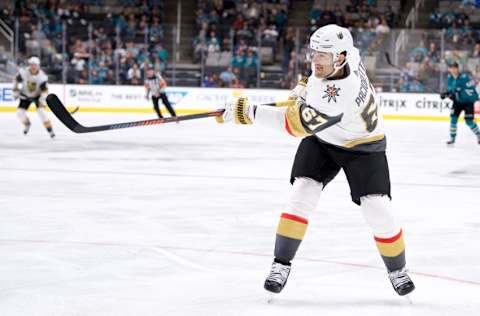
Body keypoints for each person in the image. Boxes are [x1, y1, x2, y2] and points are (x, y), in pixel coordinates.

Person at [216, 24, 415, 297]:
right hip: (324, 139)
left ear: (340, 57)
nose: (315, 60)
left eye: (322, 55)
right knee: (302, 192)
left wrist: (246, 112)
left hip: (364, 147)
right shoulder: (349, 55)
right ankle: (280, 264)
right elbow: (313, 86)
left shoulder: (339, 94)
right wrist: (303, 88)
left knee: (377, 209)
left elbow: (293, 126)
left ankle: (397, 269)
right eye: (314, 53)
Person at [12, 56, 55, 138]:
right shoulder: (23, 72)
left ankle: (50, 130)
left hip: (37, 96)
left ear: (38, 65)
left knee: (42, 113)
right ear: (29, 65)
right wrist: (15, 91)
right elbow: (15, 80)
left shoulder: (42, 77)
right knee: (20, 113)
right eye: (31, 64)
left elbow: (44, 90)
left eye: (35, 65)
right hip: (25, 95)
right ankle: (27, 124)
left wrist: (42, 100)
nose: (33, 66)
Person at [440, 62, 480, 145]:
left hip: (468, 102)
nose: (453, 70)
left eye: (455, 68)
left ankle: (478, 135)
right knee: (453, 120)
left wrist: (449, 94)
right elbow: (452, 90)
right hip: (457, 102)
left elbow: (461, 89)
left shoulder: (464, 77)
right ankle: (452, 138)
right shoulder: (450, 77)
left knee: (469, 121)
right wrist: (446, 94)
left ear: (458, 69)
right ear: (449, 69)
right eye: (451, 68)